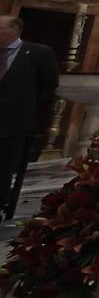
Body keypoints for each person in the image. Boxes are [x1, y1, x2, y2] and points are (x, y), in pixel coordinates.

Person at [0, 16, 58, 223]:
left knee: (4, 167)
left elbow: (48, 86)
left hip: (13, 123)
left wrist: (27, 111)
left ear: (13, 31)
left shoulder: (38, 53)